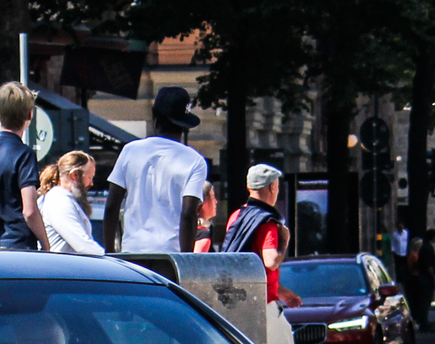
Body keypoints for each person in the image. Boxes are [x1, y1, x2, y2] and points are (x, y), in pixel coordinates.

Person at [104, 86, 209, 254]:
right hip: (170, 255)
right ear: (184, 125)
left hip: (133, 252)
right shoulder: (195, 161)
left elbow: (111, 206)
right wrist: (186, 259)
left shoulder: (130, 151)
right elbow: (188, 214)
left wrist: (109, 252)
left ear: (155, 120)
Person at [0, 82, 46, 249]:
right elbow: (30, 210)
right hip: (19, 246)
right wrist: (46, 244)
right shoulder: (24, 154)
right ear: (29, 115)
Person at [219, 163, 301, 307]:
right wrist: (284, 241)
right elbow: (271, 262)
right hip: (262, 303)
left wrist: (282, 293)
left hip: (237, 298)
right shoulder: (267, 221)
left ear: (249, 187)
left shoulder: (236, 216)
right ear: (272, 187)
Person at [38, 152, 102, 255]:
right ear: (74, 175)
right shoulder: (59, 200)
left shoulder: (65, 199)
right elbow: (83, 246)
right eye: (89, 177)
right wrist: (109, 260)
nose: (91, 183)